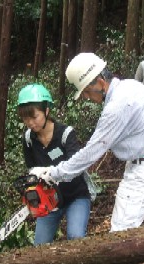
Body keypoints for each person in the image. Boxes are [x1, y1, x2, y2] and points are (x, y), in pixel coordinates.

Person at [33, 53, 144, 264]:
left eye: (86, 91)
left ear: (100, 82)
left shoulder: (117, 106)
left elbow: (91, 153)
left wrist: (55, 173)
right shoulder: (130, 87)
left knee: (120, 241)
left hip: (142, 171)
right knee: (126, 235)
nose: (86, 97)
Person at [17, 83, 91, 246]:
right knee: (40, 246)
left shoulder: (65, 134)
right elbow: (31, 166)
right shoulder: (29, 139)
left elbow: (76, 165)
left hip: (75, 196)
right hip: (49, 199)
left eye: (34, 116)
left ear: (46, 111)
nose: (30, 122)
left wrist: (52, 172)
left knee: (76, 237)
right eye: (25, 118)